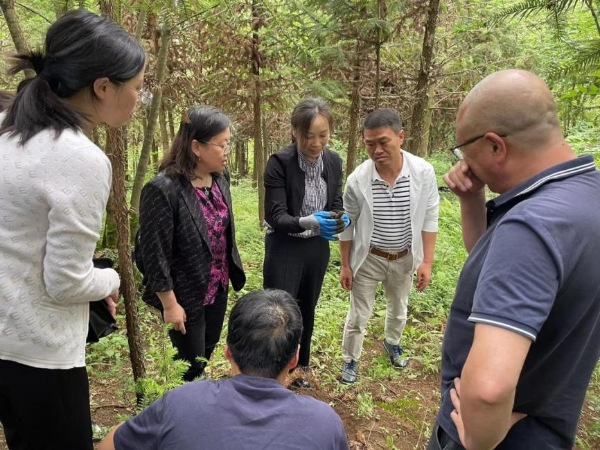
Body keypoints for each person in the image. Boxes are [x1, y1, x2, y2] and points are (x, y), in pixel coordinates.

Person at [428, 69, 600, 450]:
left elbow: (488, 390)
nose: (463, 161)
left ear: (495, 146)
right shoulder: (586, 197)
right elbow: (501, 268)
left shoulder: (530, 224)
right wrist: (472, 200)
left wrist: (477, 439)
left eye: (463, 149)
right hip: (547, 427)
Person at [0, 10, 145, 450]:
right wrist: (111, 279)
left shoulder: (10, 134)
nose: (139, 98)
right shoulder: (80, 158)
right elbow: (66, 282)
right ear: (103, 87)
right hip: (40, 354)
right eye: (136, 88)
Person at [99, 289, 350, 450]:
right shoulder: (325, 425)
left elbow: (107, 446)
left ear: (228, 351)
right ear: (294, 358)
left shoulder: (180, 404)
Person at [137, 105, 246, 382]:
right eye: (222, 145)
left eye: (228, 144)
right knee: (189, 363)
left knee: (206, 352)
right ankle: (184, 402)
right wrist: (170, 304)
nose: (227, 152)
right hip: (185, 293)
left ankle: (195, 394)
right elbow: (154, 253)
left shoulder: (220, 179)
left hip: (217, 286)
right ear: (197, 147)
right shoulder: (163, 189)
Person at [338, 109, 439, 384]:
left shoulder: (423, 173)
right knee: (358, 314)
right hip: (369, 258)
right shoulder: (358, 179)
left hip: (405, 256)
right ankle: (350, 359)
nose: (377, 150)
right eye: (370, 144)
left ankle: (392, 343)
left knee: (399, 308)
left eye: (383, 142)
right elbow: (347, 223)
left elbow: (430, 216)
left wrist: (426, 261)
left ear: (401, 137)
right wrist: (345, 265)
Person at [263, 98, 349, 388]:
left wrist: (340, 218)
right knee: (279, 311)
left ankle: (300, 368)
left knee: (306, 308)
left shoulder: (333, 161)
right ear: (294, 132)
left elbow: (336, 200)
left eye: (322, 135)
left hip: (316, 248)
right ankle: (274, 371)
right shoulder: (280, 163)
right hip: (285, 246)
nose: (315, 143)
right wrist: (306, 221)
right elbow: (275, 215)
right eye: (308, 135)